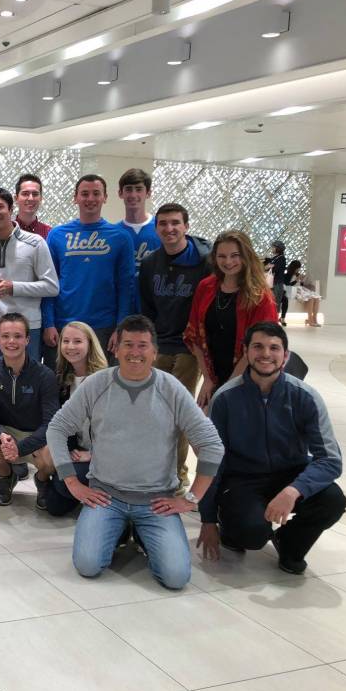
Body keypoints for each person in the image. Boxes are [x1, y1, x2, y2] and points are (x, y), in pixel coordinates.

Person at [46, 315, 224, 590]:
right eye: (128, 344)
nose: (135, 353)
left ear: (155, 352)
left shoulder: (172, 389)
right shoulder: (97, 384)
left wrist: (191, 499)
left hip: (156, 501)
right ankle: (120, 529)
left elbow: (212, 443)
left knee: (176, 578)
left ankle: (141, 533)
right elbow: (57, 428)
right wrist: (73, 483)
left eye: (143, 346)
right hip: (106, 496)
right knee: (88, 565)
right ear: (115, 349)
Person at [197, 323, 346, 575]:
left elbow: (330, 460)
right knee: (251, 534)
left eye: (274, 348)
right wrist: (208, 519)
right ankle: (233, 529)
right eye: (258, 346)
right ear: (246, 352)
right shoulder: (225, 398)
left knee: (332, 501)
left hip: (291, 474)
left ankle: (290, 543)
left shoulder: (305, 397)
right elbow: (213, 461)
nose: (266, 354)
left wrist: (293, 490)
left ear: (285, 355)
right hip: (243, 479)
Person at [138, 203, 211, 490]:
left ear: (186, 226)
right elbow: (147, 308)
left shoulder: (204, 261)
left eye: (175, 223)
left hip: (190, 349)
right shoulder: (150, 263)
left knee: (177, 411)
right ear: (156, 229)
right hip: (160, 345)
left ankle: (179, 474)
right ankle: (158, 468)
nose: (169, 229)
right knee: (154, 409)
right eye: (163, 224)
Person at [42, 174, 136, 360]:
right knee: (61, 385)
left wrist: (121, 328)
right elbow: (48, 284)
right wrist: (48, 322)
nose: (90, 199)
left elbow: (126, 287)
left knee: (101, 384)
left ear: (105, 197)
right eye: (85, 194)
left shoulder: (121, 237)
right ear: (75, 197)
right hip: (64, 324)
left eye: (96, 193)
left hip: (104, 327)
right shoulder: (57, 235)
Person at [0, 187, 58, 362]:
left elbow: (51, 286)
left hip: (27, 327)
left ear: (11, 209)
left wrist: (13, 287)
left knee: (27, 385)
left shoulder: (35, 243)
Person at [185, 230, 278, 409]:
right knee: (206, 433)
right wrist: (208, 379)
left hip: (250, 378)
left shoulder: (260, 296)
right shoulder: (206, 287)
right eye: (222, 256)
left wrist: (229, 387)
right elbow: (195, 335)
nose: (228, 262)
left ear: (246, 256)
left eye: (234, 255)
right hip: (214, 375)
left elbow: (259, 346)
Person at [0, 313, 59, 508]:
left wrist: (20, 448)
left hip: (36, 435)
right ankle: (6, 477)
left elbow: (50, 423)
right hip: (6, 434)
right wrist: (1, 436)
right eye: (5, 336)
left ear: (28, 339)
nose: (11, 341)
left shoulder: (45, 375)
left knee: (53, 452)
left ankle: (43, 480)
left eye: (18, 336)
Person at [43, 321, 108, 517]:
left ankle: (105, 500)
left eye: (78, 341)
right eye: (66, 341)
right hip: (77, 451)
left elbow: (118, 430)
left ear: (90, 345)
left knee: (64, 484)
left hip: (105, 456)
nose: (71, 347)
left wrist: (94, 454)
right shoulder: (61, 379)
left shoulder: (105, 380)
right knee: (54, 507)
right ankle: (87, 495)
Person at [117, 168, 162, 312]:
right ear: (120, 193)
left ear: (148, 193)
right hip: (121, 309)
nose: (133, 195)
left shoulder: (162, 230)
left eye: (139, 189)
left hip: (154, 308)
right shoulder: (114, 233)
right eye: (128, 189)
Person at [14, 173, 52, 239]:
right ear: (16, 198)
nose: (31, 198)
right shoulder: (6, 232)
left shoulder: (50, 234)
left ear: (41, 199)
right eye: (25, 194)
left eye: (35, 194)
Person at [266, 240, 287, 319]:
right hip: (273, 283)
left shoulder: (281, 258)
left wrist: (269, 266)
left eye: (274, 247)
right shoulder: (275, 258)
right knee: (271, 303)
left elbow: (274, 269)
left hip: (277, 284)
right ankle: (271, 319)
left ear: (278, 248)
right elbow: (267, 267)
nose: (272, 248)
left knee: (275, 303)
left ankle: (274, 320)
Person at [279, 259, 301, 326]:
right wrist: (296, 281)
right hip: (285, 291)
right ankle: (282, 318)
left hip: (292, 291)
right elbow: (287, 284)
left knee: (285, 299)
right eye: (298, 268)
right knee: (285, 300)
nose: (299, 269)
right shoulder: (288, 274)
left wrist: (299, 280)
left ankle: (282, 318)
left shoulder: (297, 274)